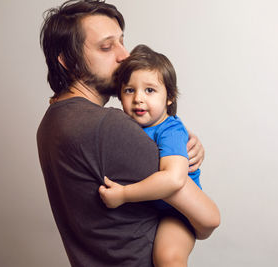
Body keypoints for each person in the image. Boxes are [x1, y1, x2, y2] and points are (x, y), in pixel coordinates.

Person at [37, 1, 220, 266]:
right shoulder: (107, 127)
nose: (124, 55)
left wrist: (176, 138)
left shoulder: (51, 121)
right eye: (106, 46)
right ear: (68, 62)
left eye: (122, 41)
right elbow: (207, 220)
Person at [98, 44, 205, 267]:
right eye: (129, 90)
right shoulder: (125, 124)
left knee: (168, 258)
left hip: (177, 213)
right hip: (150, 210)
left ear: (169, 97)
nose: (138, 98)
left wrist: (125, 194)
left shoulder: (170, 130)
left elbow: (173, 179)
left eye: (150, 90)